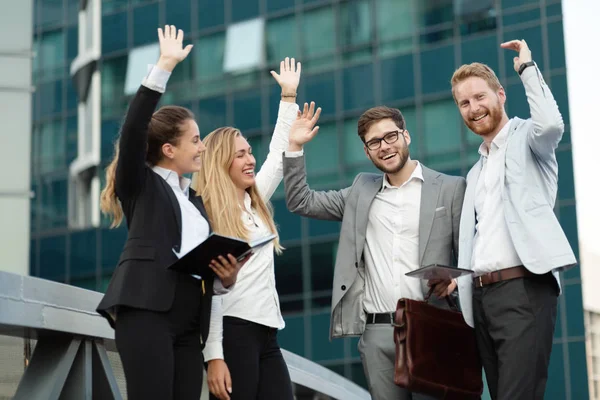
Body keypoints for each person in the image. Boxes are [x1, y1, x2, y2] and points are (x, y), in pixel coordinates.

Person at [97, 25, 246, 400]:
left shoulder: (195, 202)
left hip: (188, 320)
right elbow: (133, 131)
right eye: (195, 141)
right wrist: (163, 66)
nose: (202, 148)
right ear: (168, 149)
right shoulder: (142, 185)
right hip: (147, 311)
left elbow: (201, 266)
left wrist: (226, 277)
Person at [281, 105, 466, 400]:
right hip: (377, 332)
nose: (385, 146)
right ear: (367, 152)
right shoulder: (360, 191)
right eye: (374, 142)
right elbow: (301, 201)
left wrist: (457, 283)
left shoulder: (451, 188)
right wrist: (294, 146)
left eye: (390, 136)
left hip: (431, 324)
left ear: (406, 136)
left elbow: (472, 253)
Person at [446, 40, 577, 400]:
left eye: (479, 97)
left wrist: (527, 70)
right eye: (464, 103)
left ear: (500, 95)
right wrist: (461, 279)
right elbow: (482, 236)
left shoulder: (529, 140)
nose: (473, 108)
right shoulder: (475, 173)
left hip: (525, 288)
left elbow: (551, 123)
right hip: (483, 299)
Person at [193, 59, 320, 400]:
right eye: (240, 155)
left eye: (250, 152)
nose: (250, 160)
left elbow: (278, 156)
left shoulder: (254, 202)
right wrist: (214, 355)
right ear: (221, 163)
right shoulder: (206, 216)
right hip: (233, 332)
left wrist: (288, 97)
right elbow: (212, 293)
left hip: (267, 334)